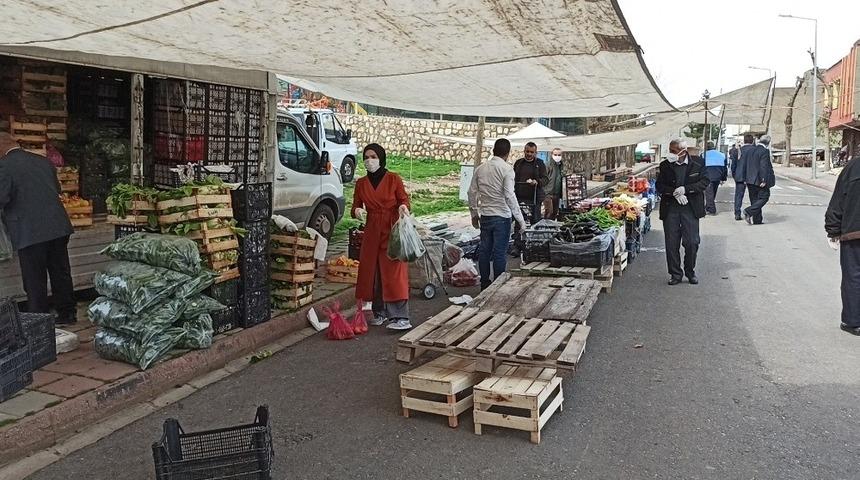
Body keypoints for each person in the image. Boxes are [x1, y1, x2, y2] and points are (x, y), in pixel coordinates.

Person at [0, 132, 75, 323]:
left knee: (34, 279)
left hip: (29, 229)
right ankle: (67, 313)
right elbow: (56, 189)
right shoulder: (43, 161)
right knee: (60, 272)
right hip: (57, 225)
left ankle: (39, 320)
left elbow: (2, 197)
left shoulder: (4, 166)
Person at [352, 143, 412, 330]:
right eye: (366, 157)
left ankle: (400, 316)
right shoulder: (361, 183)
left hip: (391, 228)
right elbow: (355, 206)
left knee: (394, 272)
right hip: (371, 230)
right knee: (373, 272)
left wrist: (403, 207)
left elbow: (403, 199)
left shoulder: (393, 179)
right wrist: (357, 211)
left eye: (373, 157)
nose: (369, 161)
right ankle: (379, 312)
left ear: (381, 158)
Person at [468, 139, 527, 290]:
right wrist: (520, 220)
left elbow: (471, 192)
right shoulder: (507, 170)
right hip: (502, 217)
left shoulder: (480, 169)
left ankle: (484, 284)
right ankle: (497, 287)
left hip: (486, 216)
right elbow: (509, 195)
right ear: (507, 153)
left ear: (494, 150)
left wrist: (474, 214)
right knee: (499, 253)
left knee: (484, 251)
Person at [656, 139, 709, 285]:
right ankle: (675, 274)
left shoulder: (698, 163)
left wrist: (686, 189)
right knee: (671, 243)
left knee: (692, 242)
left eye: (673, 151)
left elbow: (704, 182)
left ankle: (690, 271)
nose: (671, 154)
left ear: (683, 151)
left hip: (690, 209)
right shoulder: (665, 165)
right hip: (671, 208)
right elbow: (660, 186)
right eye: (670, 150)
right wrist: (674, 192)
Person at [825, 154, 860, 336]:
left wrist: (832, 230)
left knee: (853, 276)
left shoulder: (853, 167)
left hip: (854, 233)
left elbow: (838, 201)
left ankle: (852, 321)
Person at [742, 135, 776, 225]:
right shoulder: (764, 151)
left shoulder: (750, 150)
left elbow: (745, 165)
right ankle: (748, 211)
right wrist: (763, 180)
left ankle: (757, 220)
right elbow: (763, 166)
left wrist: (745, 178)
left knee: (754, 199)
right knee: (764, 197)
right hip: (759, 180)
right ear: (768, 143)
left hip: (749, 179)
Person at [513, 142, 547, 225]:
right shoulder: (518, 163)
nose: (529, 154)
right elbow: (513, 177)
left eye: (532, 152)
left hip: (534, 198)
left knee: (535, 221)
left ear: (535, 153)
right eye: (527, 151)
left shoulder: (540, 163)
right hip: (520, 197)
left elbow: (545, 179)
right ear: (524, 151)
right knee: (518, 221)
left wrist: (537, 182)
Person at [732, 135, 756, 221]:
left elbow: (733, 165)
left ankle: (737, 213)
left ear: (744, 141)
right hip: (752, 177)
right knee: (753, 196)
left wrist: (735, 175)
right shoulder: (755, 150)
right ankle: (752, 213)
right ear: (752, 141)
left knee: (738, 196)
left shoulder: (738, 151)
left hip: (740, 176)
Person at [703, 141, 727, 215]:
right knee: (713, 192)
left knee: (709, 193)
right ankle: (708, 207)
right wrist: (723, 178)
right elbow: (725, 168)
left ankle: (712, 210)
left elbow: (700, 166)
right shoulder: (722, 155)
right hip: (718, 176)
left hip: (708, 176)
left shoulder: (703, 155)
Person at [542, 147, 564, 220]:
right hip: (548, 193)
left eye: (559, 155)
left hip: (557, 193)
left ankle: (552, 225)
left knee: (555, 212)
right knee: (549, 211)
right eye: (555, 154)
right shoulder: (548, 165)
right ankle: (545, 224)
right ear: (552, 155)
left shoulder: (561, 165)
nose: (557, 156)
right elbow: (544, 178)